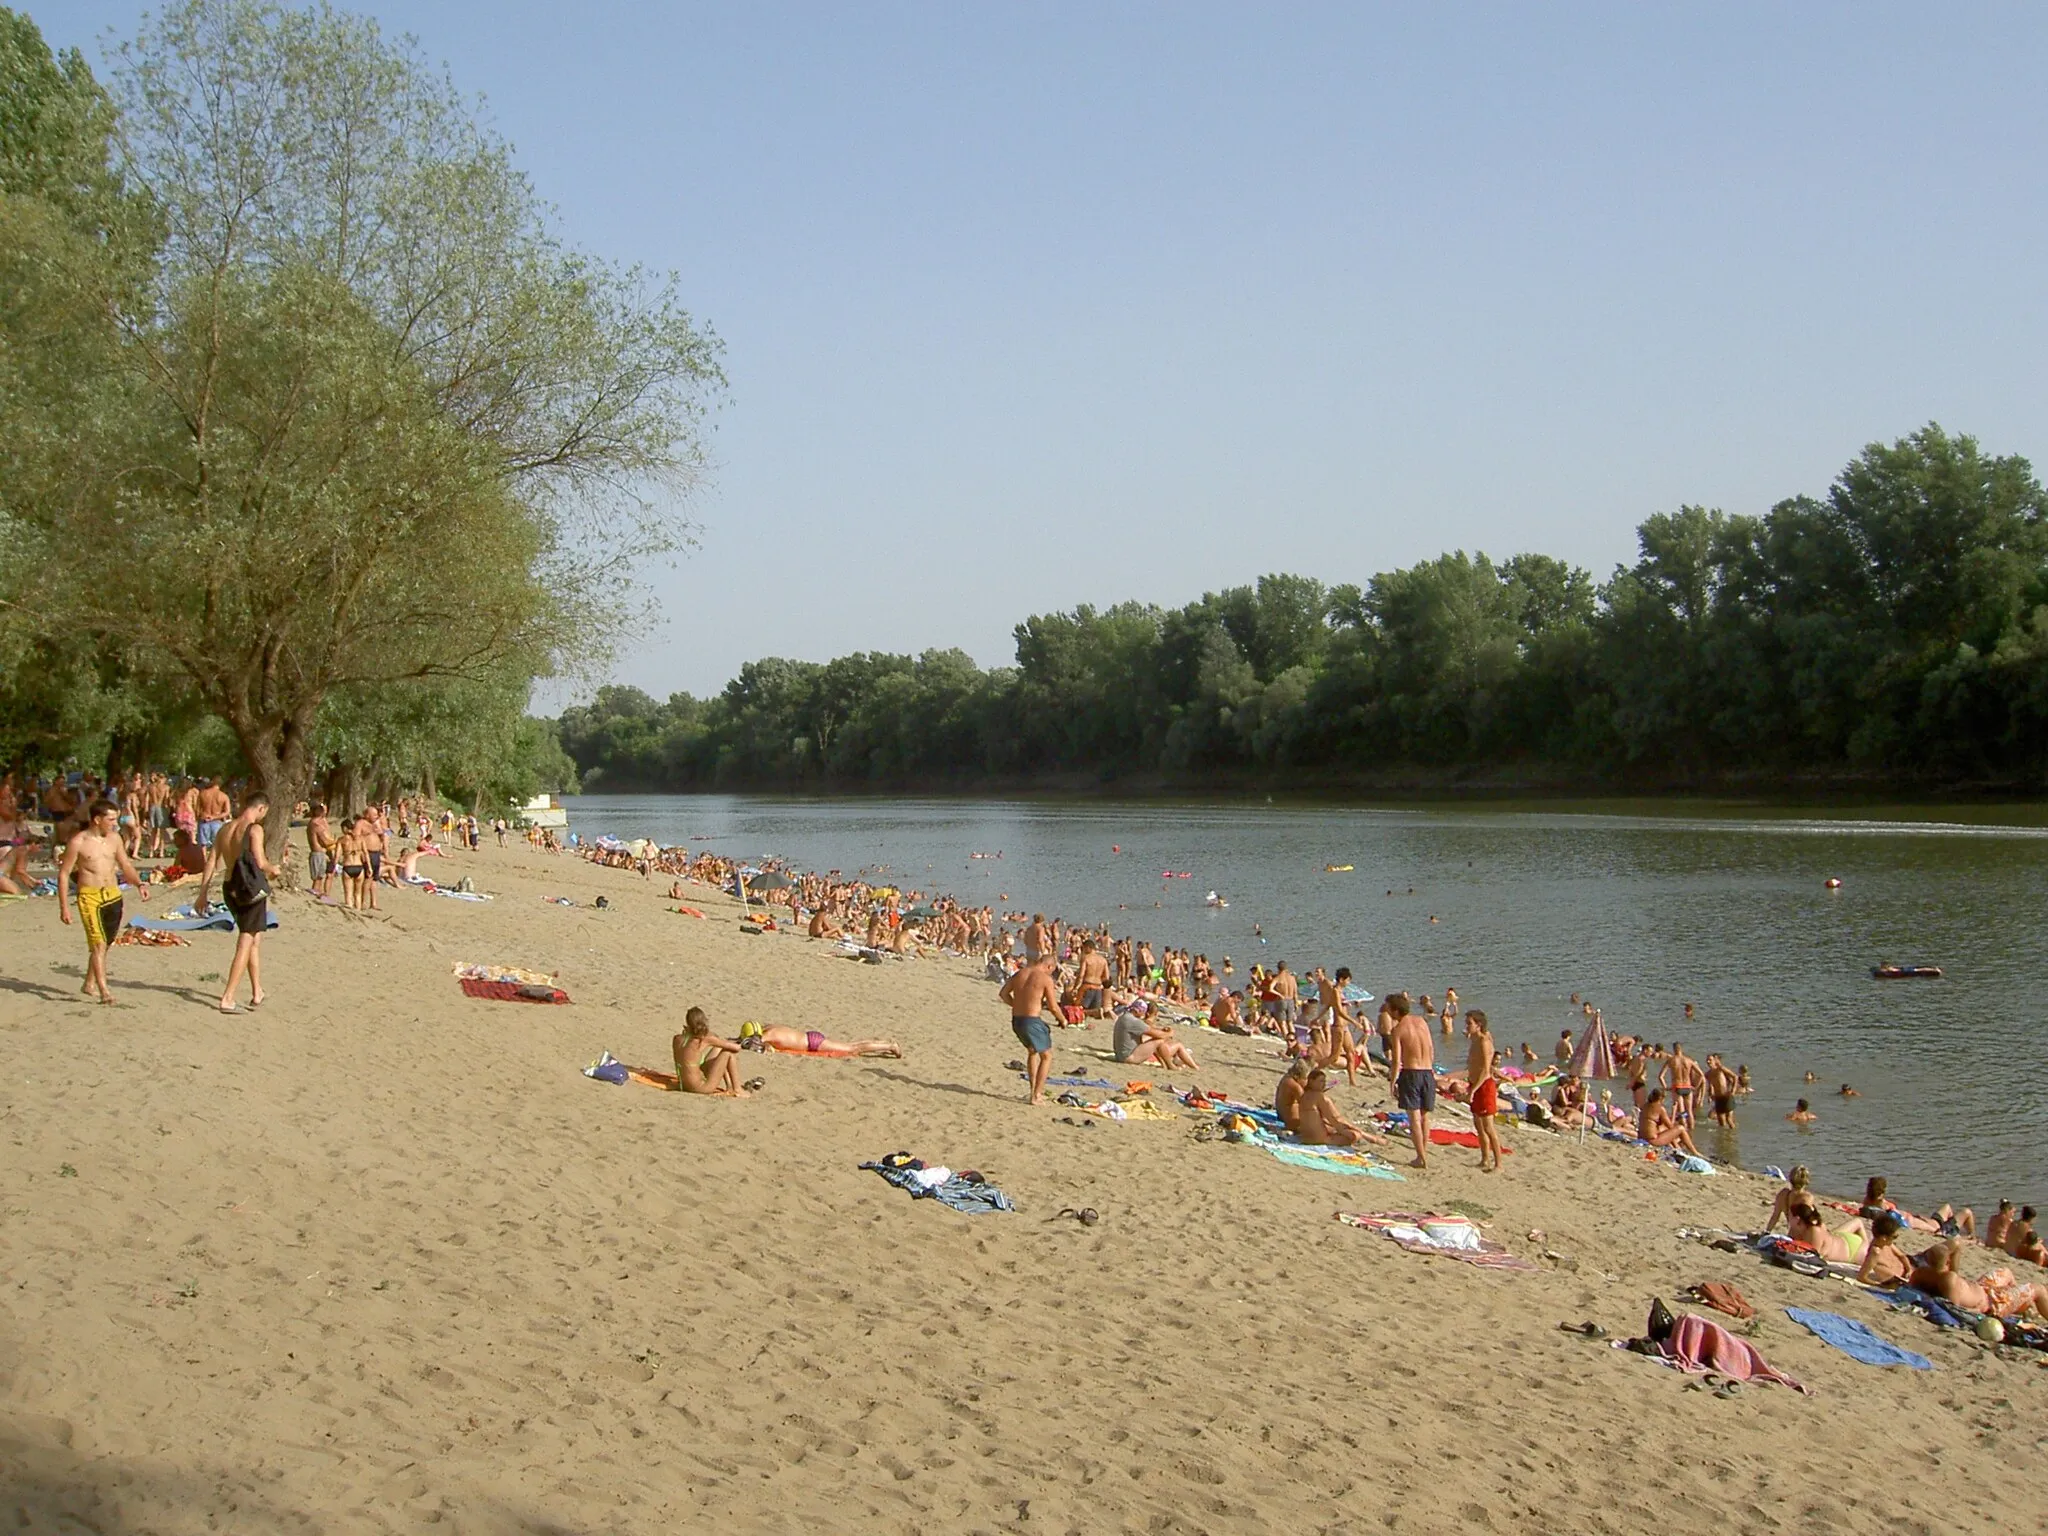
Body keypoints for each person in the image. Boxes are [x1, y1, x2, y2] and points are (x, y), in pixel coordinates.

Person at [56, 798, 149, 1004]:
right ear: (97, 820)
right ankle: (104, 990)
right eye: (111, 819)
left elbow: (125, 865)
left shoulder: (115, 839)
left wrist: (139, 884)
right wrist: (64, 907)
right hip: (90, 896)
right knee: (98, 945)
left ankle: (89, 983)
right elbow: (64, 874)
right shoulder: (78, 842)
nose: (115, 823)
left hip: (113, 895)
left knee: (106, 943)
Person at [198, 792, 278, 1014]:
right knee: (246, 940)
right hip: (249, 889)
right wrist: (275, 869)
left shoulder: (224, 829)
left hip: (229, 887)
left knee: (253, 937)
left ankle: (256, 991)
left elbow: (212, 861)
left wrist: (202, 893)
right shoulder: (254, 829)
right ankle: (228, 997)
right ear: (261, 809)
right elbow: (261, 862)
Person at [1909, 1241, 2048, 1320]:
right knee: (2039, 1289)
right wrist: (1979, 1309)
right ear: (1948, 1261)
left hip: (1983, 1288)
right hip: (1991, 1303)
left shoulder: (1921, 1272)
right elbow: (1954, 1309)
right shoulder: (1948, 1279)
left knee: (2006, 1272)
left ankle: (2023, 1306)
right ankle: (2021, 1305)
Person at [999, 955, 1060, 1106]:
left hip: (1017, 1020)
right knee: (1047, 1056)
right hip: (1032, 1021)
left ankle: (1033, 1091)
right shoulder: (1045, 979)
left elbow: (1003, 994)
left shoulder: (1020, 973)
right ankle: (1036, 1096)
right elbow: (1053, 1006)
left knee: (1032, 1051)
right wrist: (1063, 1019)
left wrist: (1016, 1005)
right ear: (1049, 967)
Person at [1385, 992, 1436, 1169]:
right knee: (1424, 1116)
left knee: (1413, 1117)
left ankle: (1420, 1157)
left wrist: (1393, 1081)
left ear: (1395, 1010)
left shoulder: (1398, 1030)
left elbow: (1397, 1059)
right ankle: (1424, 1151)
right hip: (1427, 1071)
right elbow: (1431, 1048)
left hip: (1411, 1072)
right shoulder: (1422, 1022)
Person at [673, 1007, 750, 1095]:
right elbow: (736, 1048)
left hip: (683, 1086)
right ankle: (737, 1089)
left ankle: (729, 1087)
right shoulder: (705, 1039)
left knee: (718, 1048)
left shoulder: (677, 1039)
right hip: (700, 1088)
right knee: (728, 1053)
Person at [738, 1022, 902, 1058]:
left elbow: (760, 1046)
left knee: (853, 1048)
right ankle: (886, 1045)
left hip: (813, 1043)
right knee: (852, 1046)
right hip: (811, 1038)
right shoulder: (771, 1028)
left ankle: (890, 1045)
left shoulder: (768, 1036)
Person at [1112, 1000, 1197, 1069]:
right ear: (1137, 1010)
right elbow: (1158, 1035)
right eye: (1142, 1012)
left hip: (1121, 1055)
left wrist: (1162, 1031)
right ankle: (1171, 1065)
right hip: (1128, 1057)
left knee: (1156, 1042)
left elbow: (1151, 1031)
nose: (1143, 1015)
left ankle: (1167, 1065)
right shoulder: (1133, 1021)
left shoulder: (1124, 1017)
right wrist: (1170, 1033)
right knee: (1159, 1041)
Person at [1465, 1008, 1501, 1172]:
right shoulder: (1474, 1038)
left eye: (1469, 1023)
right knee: (1478, 1125)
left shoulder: (1484, 1042)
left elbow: (1486, 1071)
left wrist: (1473, 1091)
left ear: (1478, 1025)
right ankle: (1485, 1158)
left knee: (1488, 1127)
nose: (1467, 1026)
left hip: (1484, 1085)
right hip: (1474, 1083)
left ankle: (1498, 1164)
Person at [1293, 1067, 1366, 1147]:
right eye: (1321, 1081)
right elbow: (1332, 1119)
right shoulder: (1319, 1097)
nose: (1324, 1084)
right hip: (1319, 1139)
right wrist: (1346, 1131)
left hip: (1305, 1137)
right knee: (1355, 1135)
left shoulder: (1304, 1095)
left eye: (1324, 1081)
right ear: (1311, 1081)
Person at [1785, 1198, 1869, 1265]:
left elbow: (1812, 1257)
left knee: (1859, 1224)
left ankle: (1866, 1243)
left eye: (1789, 1215)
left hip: (1852, 1250)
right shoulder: (1798, 1228)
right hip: (1839, 1237)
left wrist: (1865, 1243)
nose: (1787, 1217)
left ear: (1797, 1219)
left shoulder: (1814, 1230)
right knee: (1856, 1223)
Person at [1636, 1089, 1702, 1156]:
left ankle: (1677, 1146)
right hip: (1652, 1141)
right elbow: (1670, 1126)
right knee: (1681, 1128)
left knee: (1666, 1129)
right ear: (1661, 1098)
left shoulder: (1645, 1106)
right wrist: (1674, 1111)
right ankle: (1695, 1152)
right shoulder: (1660, 1109)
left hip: (1641, 1137)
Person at [1856, 1215, 1915, 1286]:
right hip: (1899, 1280)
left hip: (1908, 1274)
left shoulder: (1888, 1244)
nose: (1895, 1239)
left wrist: (1909, 1270)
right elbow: (1861, 1277)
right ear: (1884, 1238)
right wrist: (1880, 1285)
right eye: (1894, 1237)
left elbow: (1902, 1256)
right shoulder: (1875, 1252)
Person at [1763, 1166, 1813, 1232]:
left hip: (1792, 1233)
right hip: (1804, 1235)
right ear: (1807, 1181)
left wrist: (1767, 1231)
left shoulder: (1783, 1194)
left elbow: (1775, 1217)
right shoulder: (1807, 1197)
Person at [1075, 940, 1111, 1020]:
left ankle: (1096, 1012)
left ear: (1088, 948)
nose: (1083, 951)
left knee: (1079, 1008)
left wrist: (1076, 987)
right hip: (1098, 987)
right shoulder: (1103, 960)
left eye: (1084, 948)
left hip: (1087, 986)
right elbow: (1107, 978)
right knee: (1093, 1009)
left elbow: (1081, 975)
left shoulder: (1086, 958)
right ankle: (1097, 1012)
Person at [1274, 1059, 1310, 1132]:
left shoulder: (1286, 1078)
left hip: (1281, 1114)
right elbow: (1307, 1104)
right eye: (1306, 1078)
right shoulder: (1295, 1087)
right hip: (1291, 1121)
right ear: (1298, 1076)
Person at [1705, 1054, 1738, 1130]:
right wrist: (1710, 1096)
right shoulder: (1707, 1074)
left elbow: (1735, 1077)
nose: (1708, 1061)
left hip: (1726, 1096)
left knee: (1729, 1119)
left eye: (1710, 1060)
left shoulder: (1720, 1069)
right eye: (1707, 1060)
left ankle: (1733, 1137)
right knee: (1721, 1122)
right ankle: (1724, 1139)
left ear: (1714, 1061)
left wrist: (1733, 1090)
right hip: (1718, 1098)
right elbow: (1710, 1086)